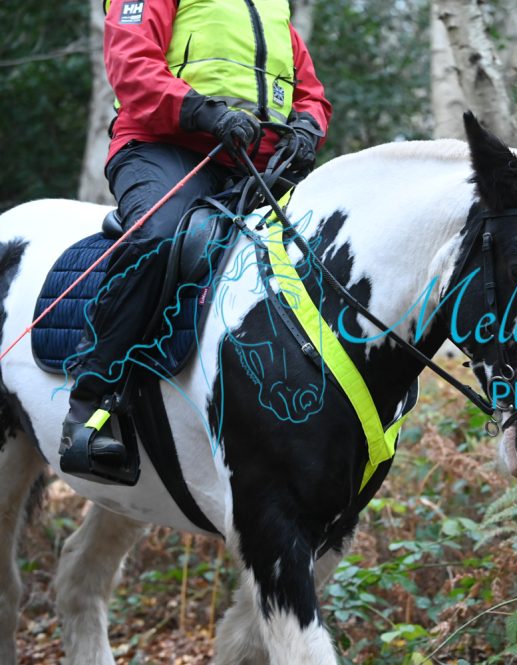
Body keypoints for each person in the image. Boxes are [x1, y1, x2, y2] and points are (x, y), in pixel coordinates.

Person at [60, 0, 333, 483]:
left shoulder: (272, 6)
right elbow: (131, 64)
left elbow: (308, 91)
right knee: (159, 237)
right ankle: (90, 401)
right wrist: (203, 113)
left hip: (257, 166)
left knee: (326, 246)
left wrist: (309, 126)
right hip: (166, 148)